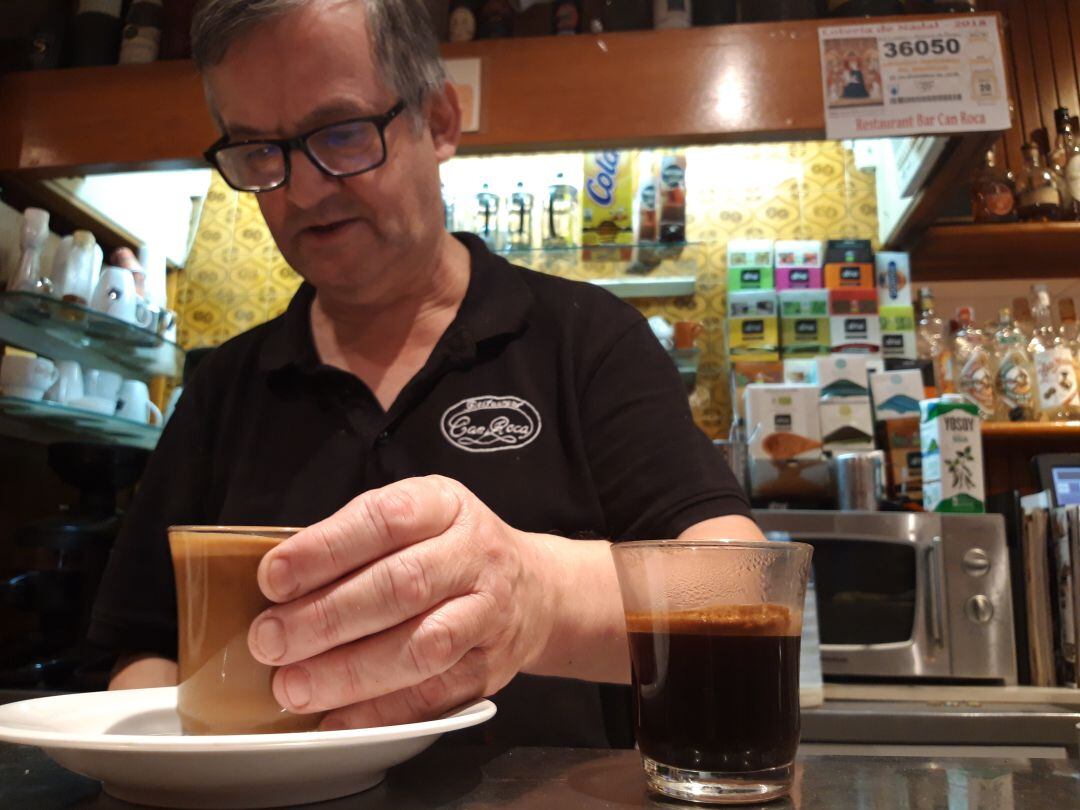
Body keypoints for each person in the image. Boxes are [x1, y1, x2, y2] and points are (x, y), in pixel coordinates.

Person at [89, 0, 761, 747]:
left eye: (341, 134)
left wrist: (536, 596)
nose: (302, 191)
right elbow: (146, 645)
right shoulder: (224, 386)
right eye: (260, 152)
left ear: (439, 122)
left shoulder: (584, 339)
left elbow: (744, 589)